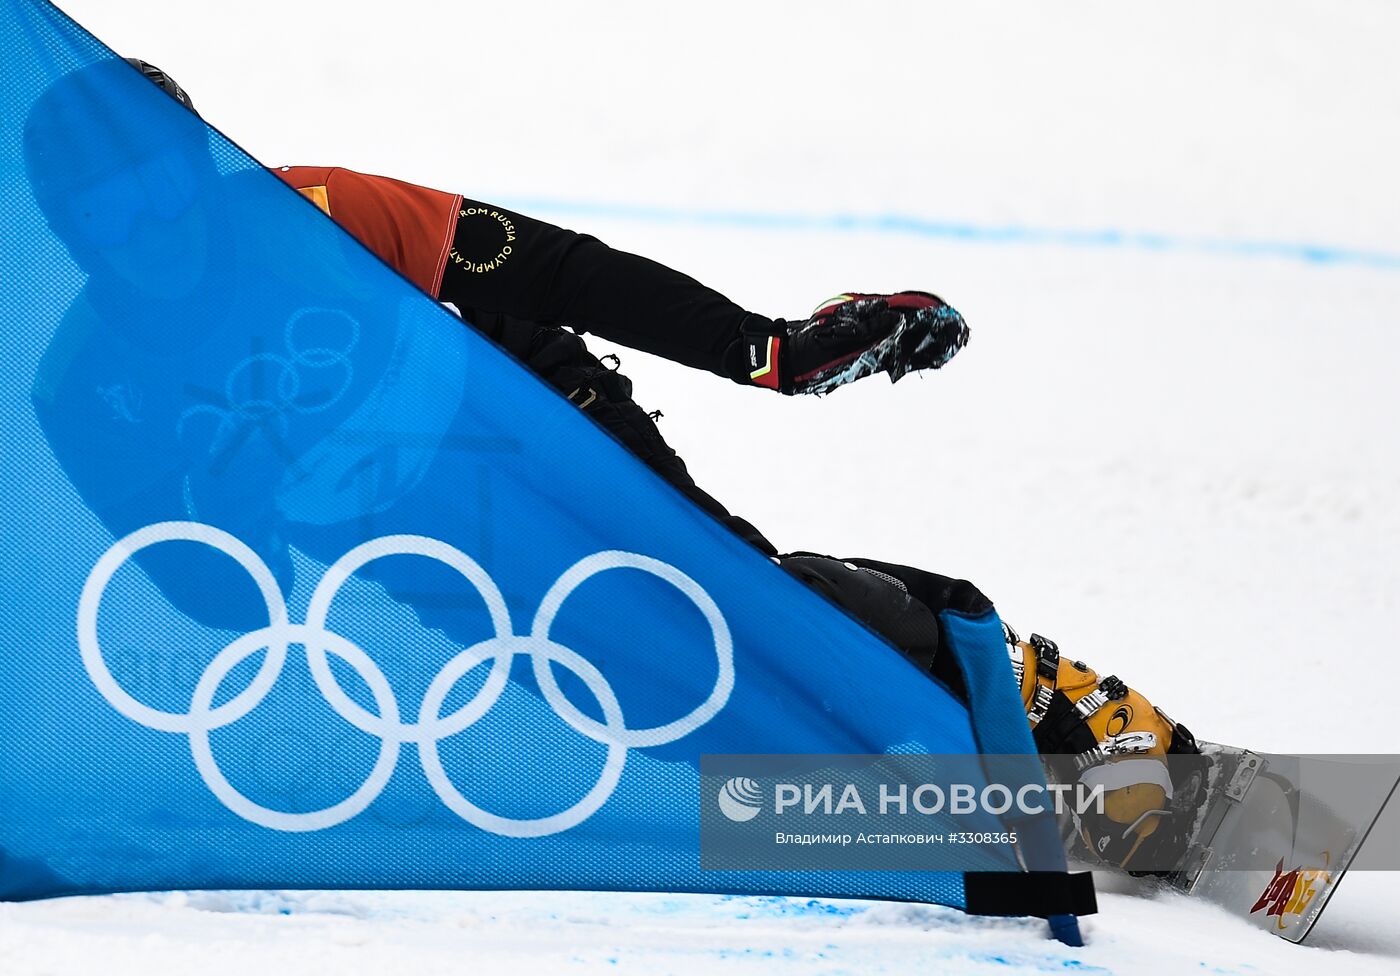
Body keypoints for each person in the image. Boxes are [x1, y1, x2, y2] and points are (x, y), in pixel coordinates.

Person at [26, 57, 1205, 873]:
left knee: (743, 612)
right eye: (114, 215)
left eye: (166, 185)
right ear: (73, 229)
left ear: (199, 163)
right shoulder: (84, 392)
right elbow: (227, 606)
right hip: (416, 535)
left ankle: (1048, 702)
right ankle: (940, 783)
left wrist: (770, 354)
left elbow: (557, 271)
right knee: (665, 711)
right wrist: (224, 509)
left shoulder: (319, 211)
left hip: (526, 414)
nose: (157, 231)